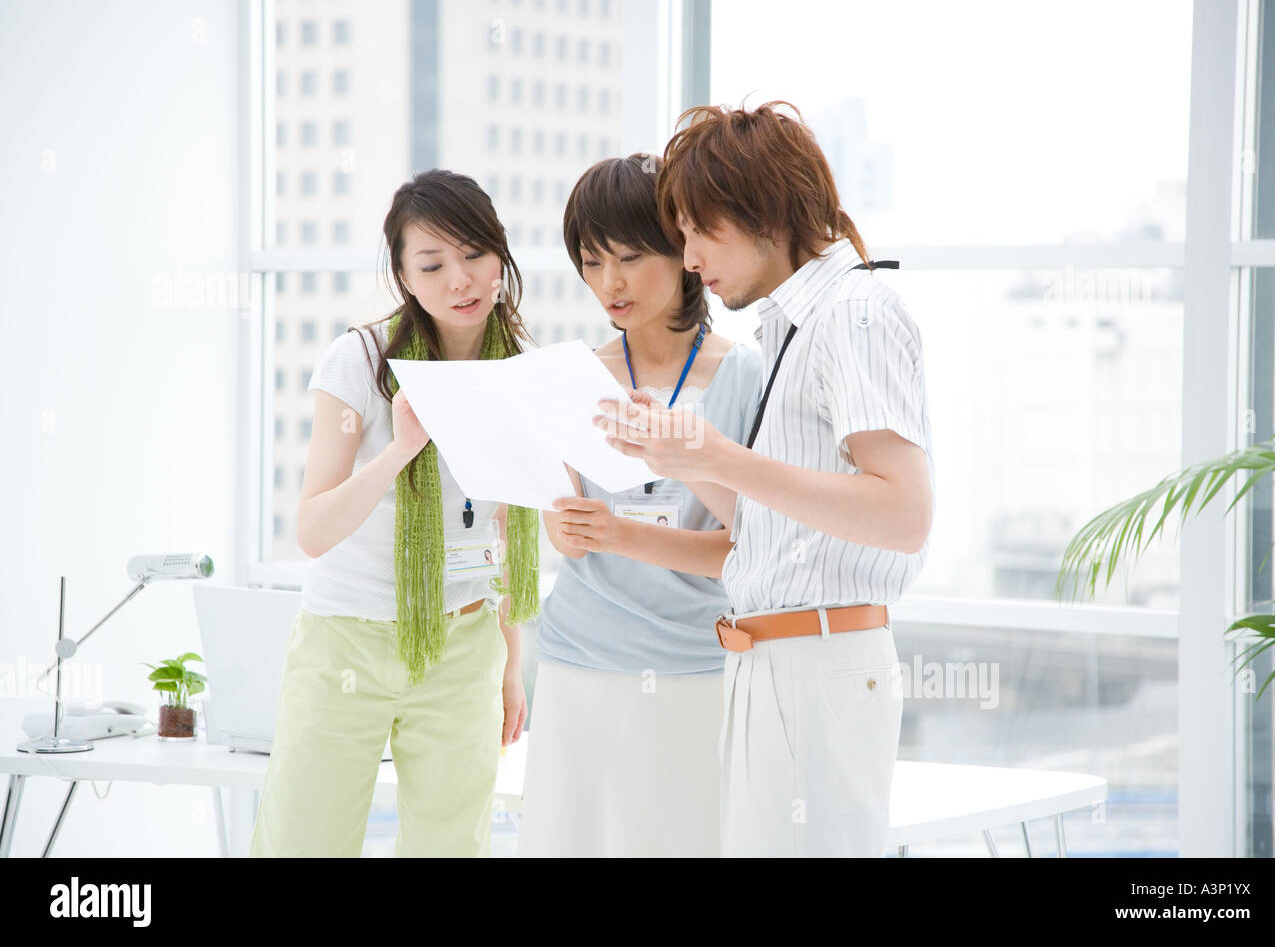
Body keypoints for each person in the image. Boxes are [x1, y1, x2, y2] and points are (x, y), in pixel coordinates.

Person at [595, 103, 936, 857]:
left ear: (765, 211)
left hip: (817, 664)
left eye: (698, 230)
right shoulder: (793, 326)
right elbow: (771, 528)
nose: (688, 259)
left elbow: (903, 513)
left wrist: (716, 457)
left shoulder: (854, 314)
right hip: (773, 660)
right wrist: (679, 456)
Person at [250, 169, 538, 857]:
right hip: (345, 639)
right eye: (432, 265)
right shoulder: (360, 362)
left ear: (501, 256)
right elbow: (313, 530)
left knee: (451, 845)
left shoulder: (520, 371)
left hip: (465, 645)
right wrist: (400, 450)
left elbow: (508, 528)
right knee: (305, 840)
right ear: (405, 277)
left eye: (474, 255)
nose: (460, 280)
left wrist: (509, 664)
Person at [516, 154, 764, 857]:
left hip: (694, 665)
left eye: (629, 257)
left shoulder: (741, 376)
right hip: (577, 659)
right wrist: (564, 527)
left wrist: (621, 534)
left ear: (686, 253)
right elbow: (568, 533)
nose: (610, 283)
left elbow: (745, 548)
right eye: (592, 263)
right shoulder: (575, 376)